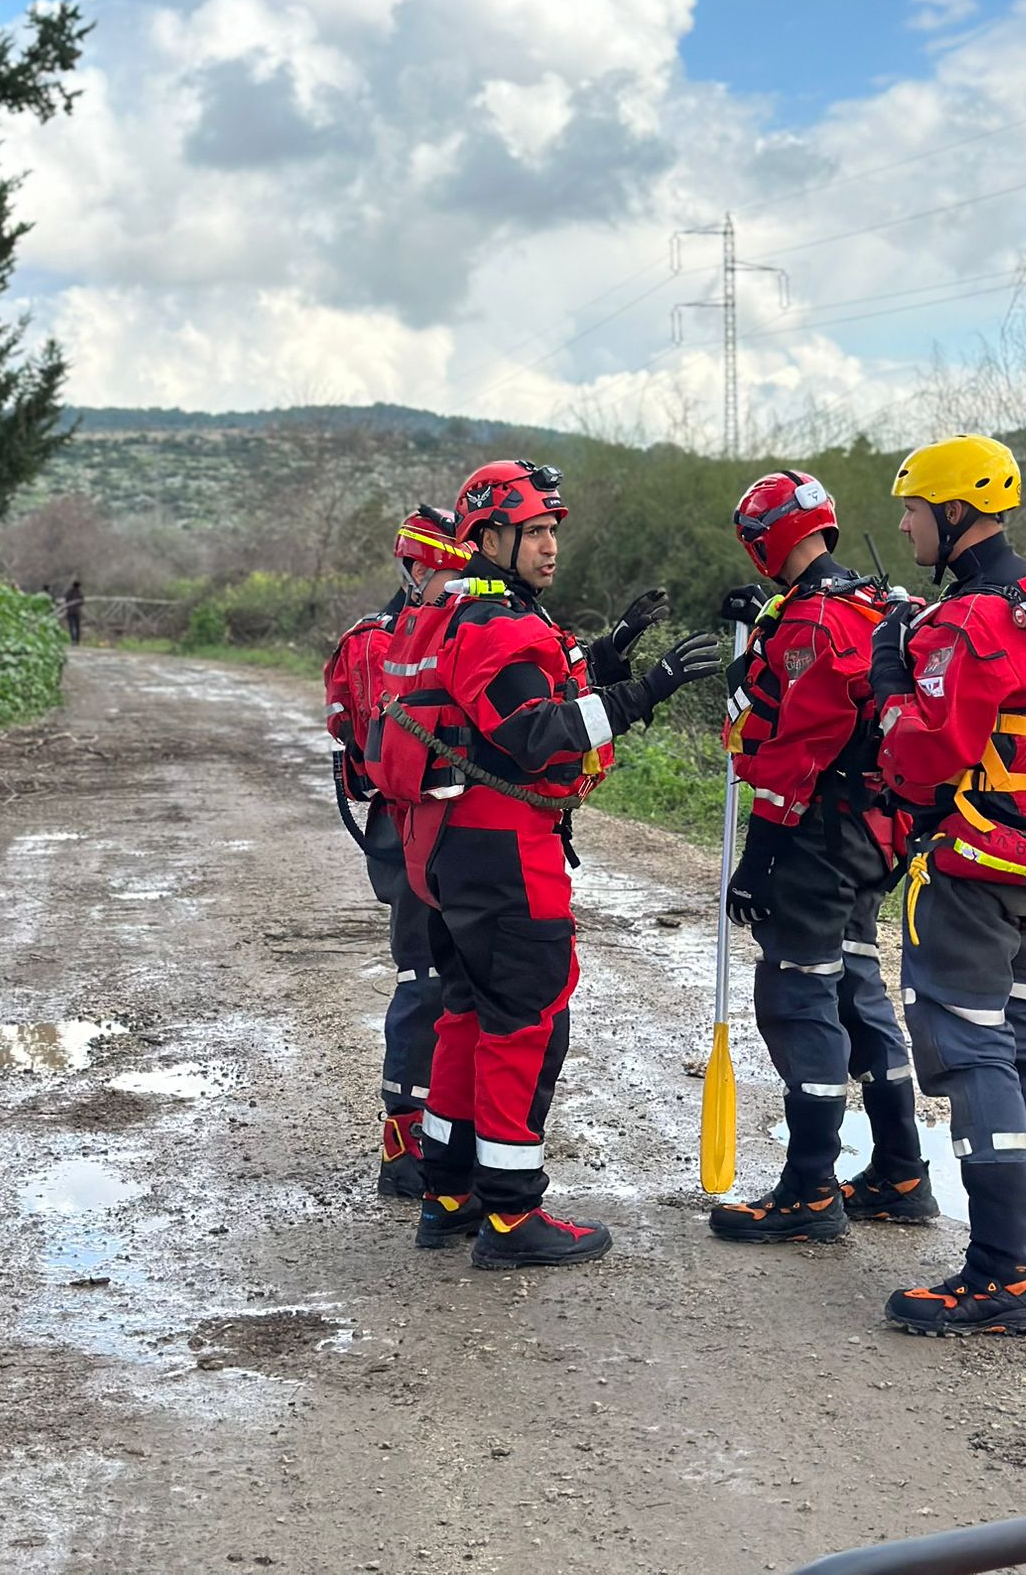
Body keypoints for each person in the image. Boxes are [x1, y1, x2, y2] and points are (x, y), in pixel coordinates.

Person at [370, 458, 720, 1269]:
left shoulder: (448, 614)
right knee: (525, 1025)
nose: (549, 545)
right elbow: (534, 731)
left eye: (553, 529)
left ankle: (448, 1195)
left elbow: (519, 692)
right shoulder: (498, 624)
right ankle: (511, 1216)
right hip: (501, 854)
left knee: (465, 1017)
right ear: (487, 536)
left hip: (445, 851)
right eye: (532, 532)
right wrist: (645, 692)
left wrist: (611, 653)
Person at [871, 434, 1026, 1338]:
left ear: (951, 513)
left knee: (976, 1049)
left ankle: (996, 1273)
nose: (903, 525)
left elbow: (917, 759)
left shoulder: (971, 623)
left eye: (911, 510)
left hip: (975, 867)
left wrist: (893, 672)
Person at [708, 470, 935, 1248]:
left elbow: (792, 754)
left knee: (798, 996)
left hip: (816, 833)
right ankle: (902, 1172)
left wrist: (757, 860)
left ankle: (808, 1189)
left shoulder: (810, 623)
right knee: (857, 989)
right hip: (876, 836)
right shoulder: (870, 603)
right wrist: (763, 618)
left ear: (763, 538)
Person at [323, 507, 470, 1197]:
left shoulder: (464, 628)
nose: (461, 584)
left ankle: (454, 1136)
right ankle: (402, 1144)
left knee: (468, 989)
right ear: (415, 569)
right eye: (450, 571)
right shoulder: (375, 647)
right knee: (426, 982)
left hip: (469, 834)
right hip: (409, 831)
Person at [63, 577, 85, 646]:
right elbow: (82, 602)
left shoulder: (69, 592)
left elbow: (65, 598)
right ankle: (77, 641)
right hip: (77, 612)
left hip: (70, 612)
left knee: (72, 626)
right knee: (77, 627)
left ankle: (73, 640)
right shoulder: (79, 593)